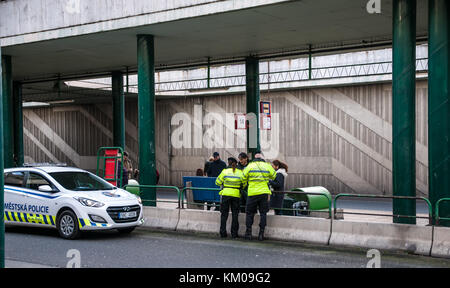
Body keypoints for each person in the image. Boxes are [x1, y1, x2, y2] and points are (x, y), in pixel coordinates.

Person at [242, 151, 276, 241]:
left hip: (252, 193)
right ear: (262, 158)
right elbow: (274, 176)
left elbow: (243, 177)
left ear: (254, 158)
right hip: (264, 193)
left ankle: (248, 233)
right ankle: (261, 234)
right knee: (263, 213)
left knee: (249, 213)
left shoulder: (250, 166)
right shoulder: (267, 166)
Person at [215, 157, 245, 239]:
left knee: (224, 214)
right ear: (236, 164)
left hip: (226, 194)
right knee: (235, 215)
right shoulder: (240, 172)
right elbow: (244, 183)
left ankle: (223, 233)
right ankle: (234, 234)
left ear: (228, 163)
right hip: (236, 195)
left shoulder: (225, 171)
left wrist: (224, 183)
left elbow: (217, 182)